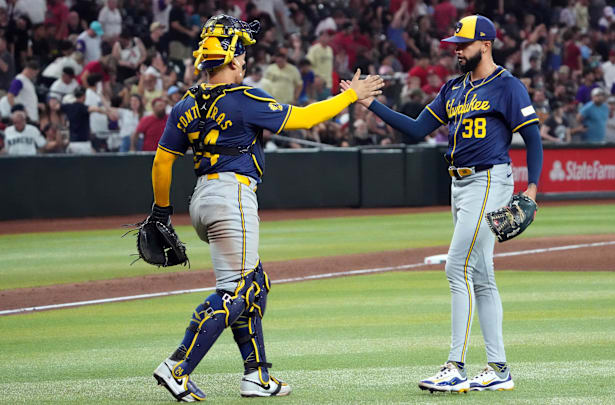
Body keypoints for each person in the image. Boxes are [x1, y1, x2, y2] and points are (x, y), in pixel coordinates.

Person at [149, 15, 382, 401]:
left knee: (255, 285)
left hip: (201, 200)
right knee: (236, 290)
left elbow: (161, 162)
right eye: (242, 53)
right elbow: (304, 118)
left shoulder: (184, 104)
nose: (245, 59)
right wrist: (350, 96)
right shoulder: (245, 99)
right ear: (235, 60)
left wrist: (160, 212)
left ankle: (256, 376)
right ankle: (178, 366)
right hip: (232, 196)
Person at [343, 15, 542, 393]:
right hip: (460, 185)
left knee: (456, 268)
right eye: (454, 45)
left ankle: (455, 366)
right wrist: (369, 103)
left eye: (463, 45)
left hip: (487, 179)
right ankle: (499, 369)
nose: (456, 51)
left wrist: (532, 188)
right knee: (482, 276)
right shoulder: (455, 88)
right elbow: (418, 128)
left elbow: (532, 138)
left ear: (485, 44)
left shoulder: (507, 86)